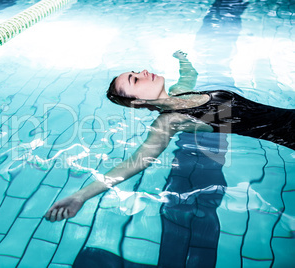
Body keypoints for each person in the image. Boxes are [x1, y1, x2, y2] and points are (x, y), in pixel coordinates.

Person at [44, 51, 294, 266]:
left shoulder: (180, 93)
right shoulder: (170, 120)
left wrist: (183, 59)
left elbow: (189, 76)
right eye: (135, 79)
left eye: (135, 71)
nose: (143, 71)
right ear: (139, 102)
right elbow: (138, 161)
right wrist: (81, 196)